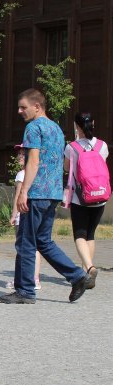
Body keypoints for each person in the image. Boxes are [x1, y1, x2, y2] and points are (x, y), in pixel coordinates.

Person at [0, 89, 90, 304]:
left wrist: (24, 191)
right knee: (43, 241)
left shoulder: (33, 127)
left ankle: (25, 291)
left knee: (26, 243)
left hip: (36, 193)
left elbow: (33, 161)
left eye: (23, 107)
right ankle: (77, 276)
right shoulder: (56, 128)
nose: (19, 111)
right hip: (53, 193)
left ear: (37, 106)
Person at [63, 111, 109, 290]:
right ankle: (86, 273)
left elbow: (67, 169)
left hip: (80, 198)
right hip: (100, 197)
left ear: (76, 126)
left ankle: (89, 268)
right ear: (93, 123)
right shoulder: (102, 145)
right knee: (90, 234)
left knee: (79, 235)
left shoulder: (72, 147)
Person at [7, 145, 42, 290]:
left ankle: (22, 279)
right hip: (35, 213)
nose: (19, 156)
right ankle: (35, 279)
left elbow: (18, 197)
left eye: (23, 153)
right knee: (35, 247)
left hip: (22, 214)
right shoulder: (37, 172)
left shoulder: (22, 174)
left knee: (22, 248)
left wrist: (13, 215)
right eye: (19, 154)